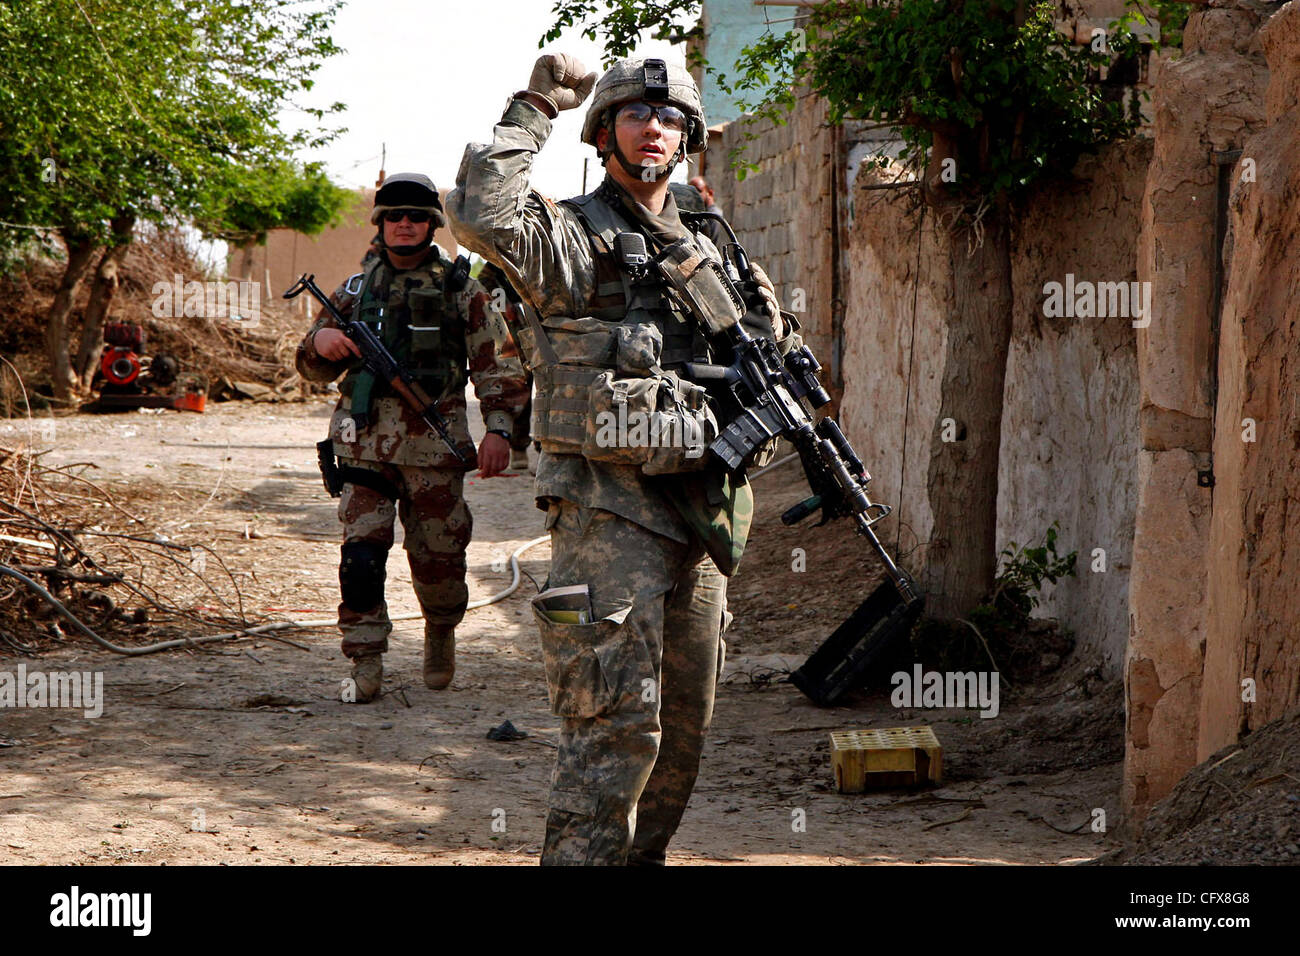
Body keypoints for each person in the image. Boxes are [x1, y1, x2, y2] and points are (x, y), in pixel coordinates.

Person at [447, 54, 798, 865]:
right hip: (607, 516)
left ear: (688, 140)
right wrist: (535, 104)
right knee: (612, 725)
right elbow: (482, 214)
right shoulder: (572, 239)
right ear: (604, 134)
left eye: (670, 118)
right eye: (636, 116)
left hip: (704, 521)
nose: (655, 129)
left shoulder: (716, 244)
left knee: (684, 733)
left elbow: (774, 349)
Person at [296, 173, 529, 701]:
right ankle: (364, 659)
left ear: (432, 225)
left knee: (438, 559)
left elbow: (499, 366)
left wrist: (499, 430)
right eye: (395, 216)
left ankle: (441, 629)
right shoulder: (353, 291)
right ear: (381, 223)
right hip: (361, 447)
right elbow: (311, 367)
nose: (405, 224)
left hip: (435, 448)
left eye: (417, 216)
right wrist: (321, 341)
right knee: (361, 558)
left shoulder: (462, 290)